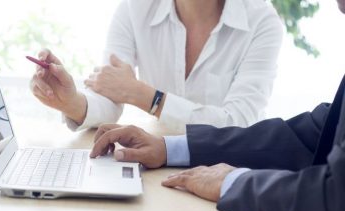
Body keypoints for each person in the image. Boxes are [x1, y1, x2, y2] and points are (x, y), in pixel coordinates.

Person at [90, 0, 345, 211]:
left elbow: (337, 204)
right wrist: (168, 148)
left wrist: (232, 182)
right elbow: (309, 134)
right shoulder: (135, 8)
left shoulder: (260, 18)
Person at [30, 0, 283, 132]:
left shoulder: (262, 22)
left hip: (227, 170)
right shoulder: (134, 8)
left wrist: (142, 95)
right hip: (159, 162)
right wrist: (72, 102)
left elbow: (237, 124)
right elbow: (110, 94)